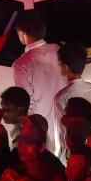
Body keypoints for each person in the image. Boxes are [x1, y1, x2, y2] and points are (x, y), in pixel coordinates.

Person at [12, 10, 68, 154]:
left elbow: (28, 105)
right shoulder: (60, 49)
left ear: (22, 33)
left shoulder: (21, 64)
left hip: (46, 131)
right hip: (68, 123)